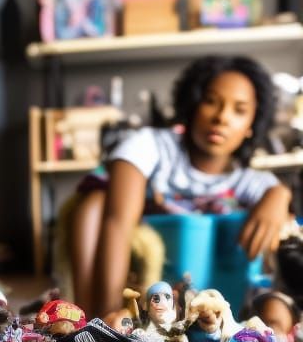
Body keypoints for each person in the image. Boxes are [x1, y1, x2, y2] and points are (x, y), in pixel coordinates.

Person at [68, 55, 291, 319]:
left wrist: (279, 195)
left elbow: (277, 199)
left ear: (251, 126)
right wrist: (112, 313)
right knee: (93, 203)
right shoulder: (151, 144)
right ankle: (94, 320)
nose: (222, 117)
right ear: (193, 104)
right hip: (141, 281)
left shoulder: (249, 180)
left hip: (217, 294)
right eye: (210, 102)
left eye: (239, 110)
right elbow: (117, 221)